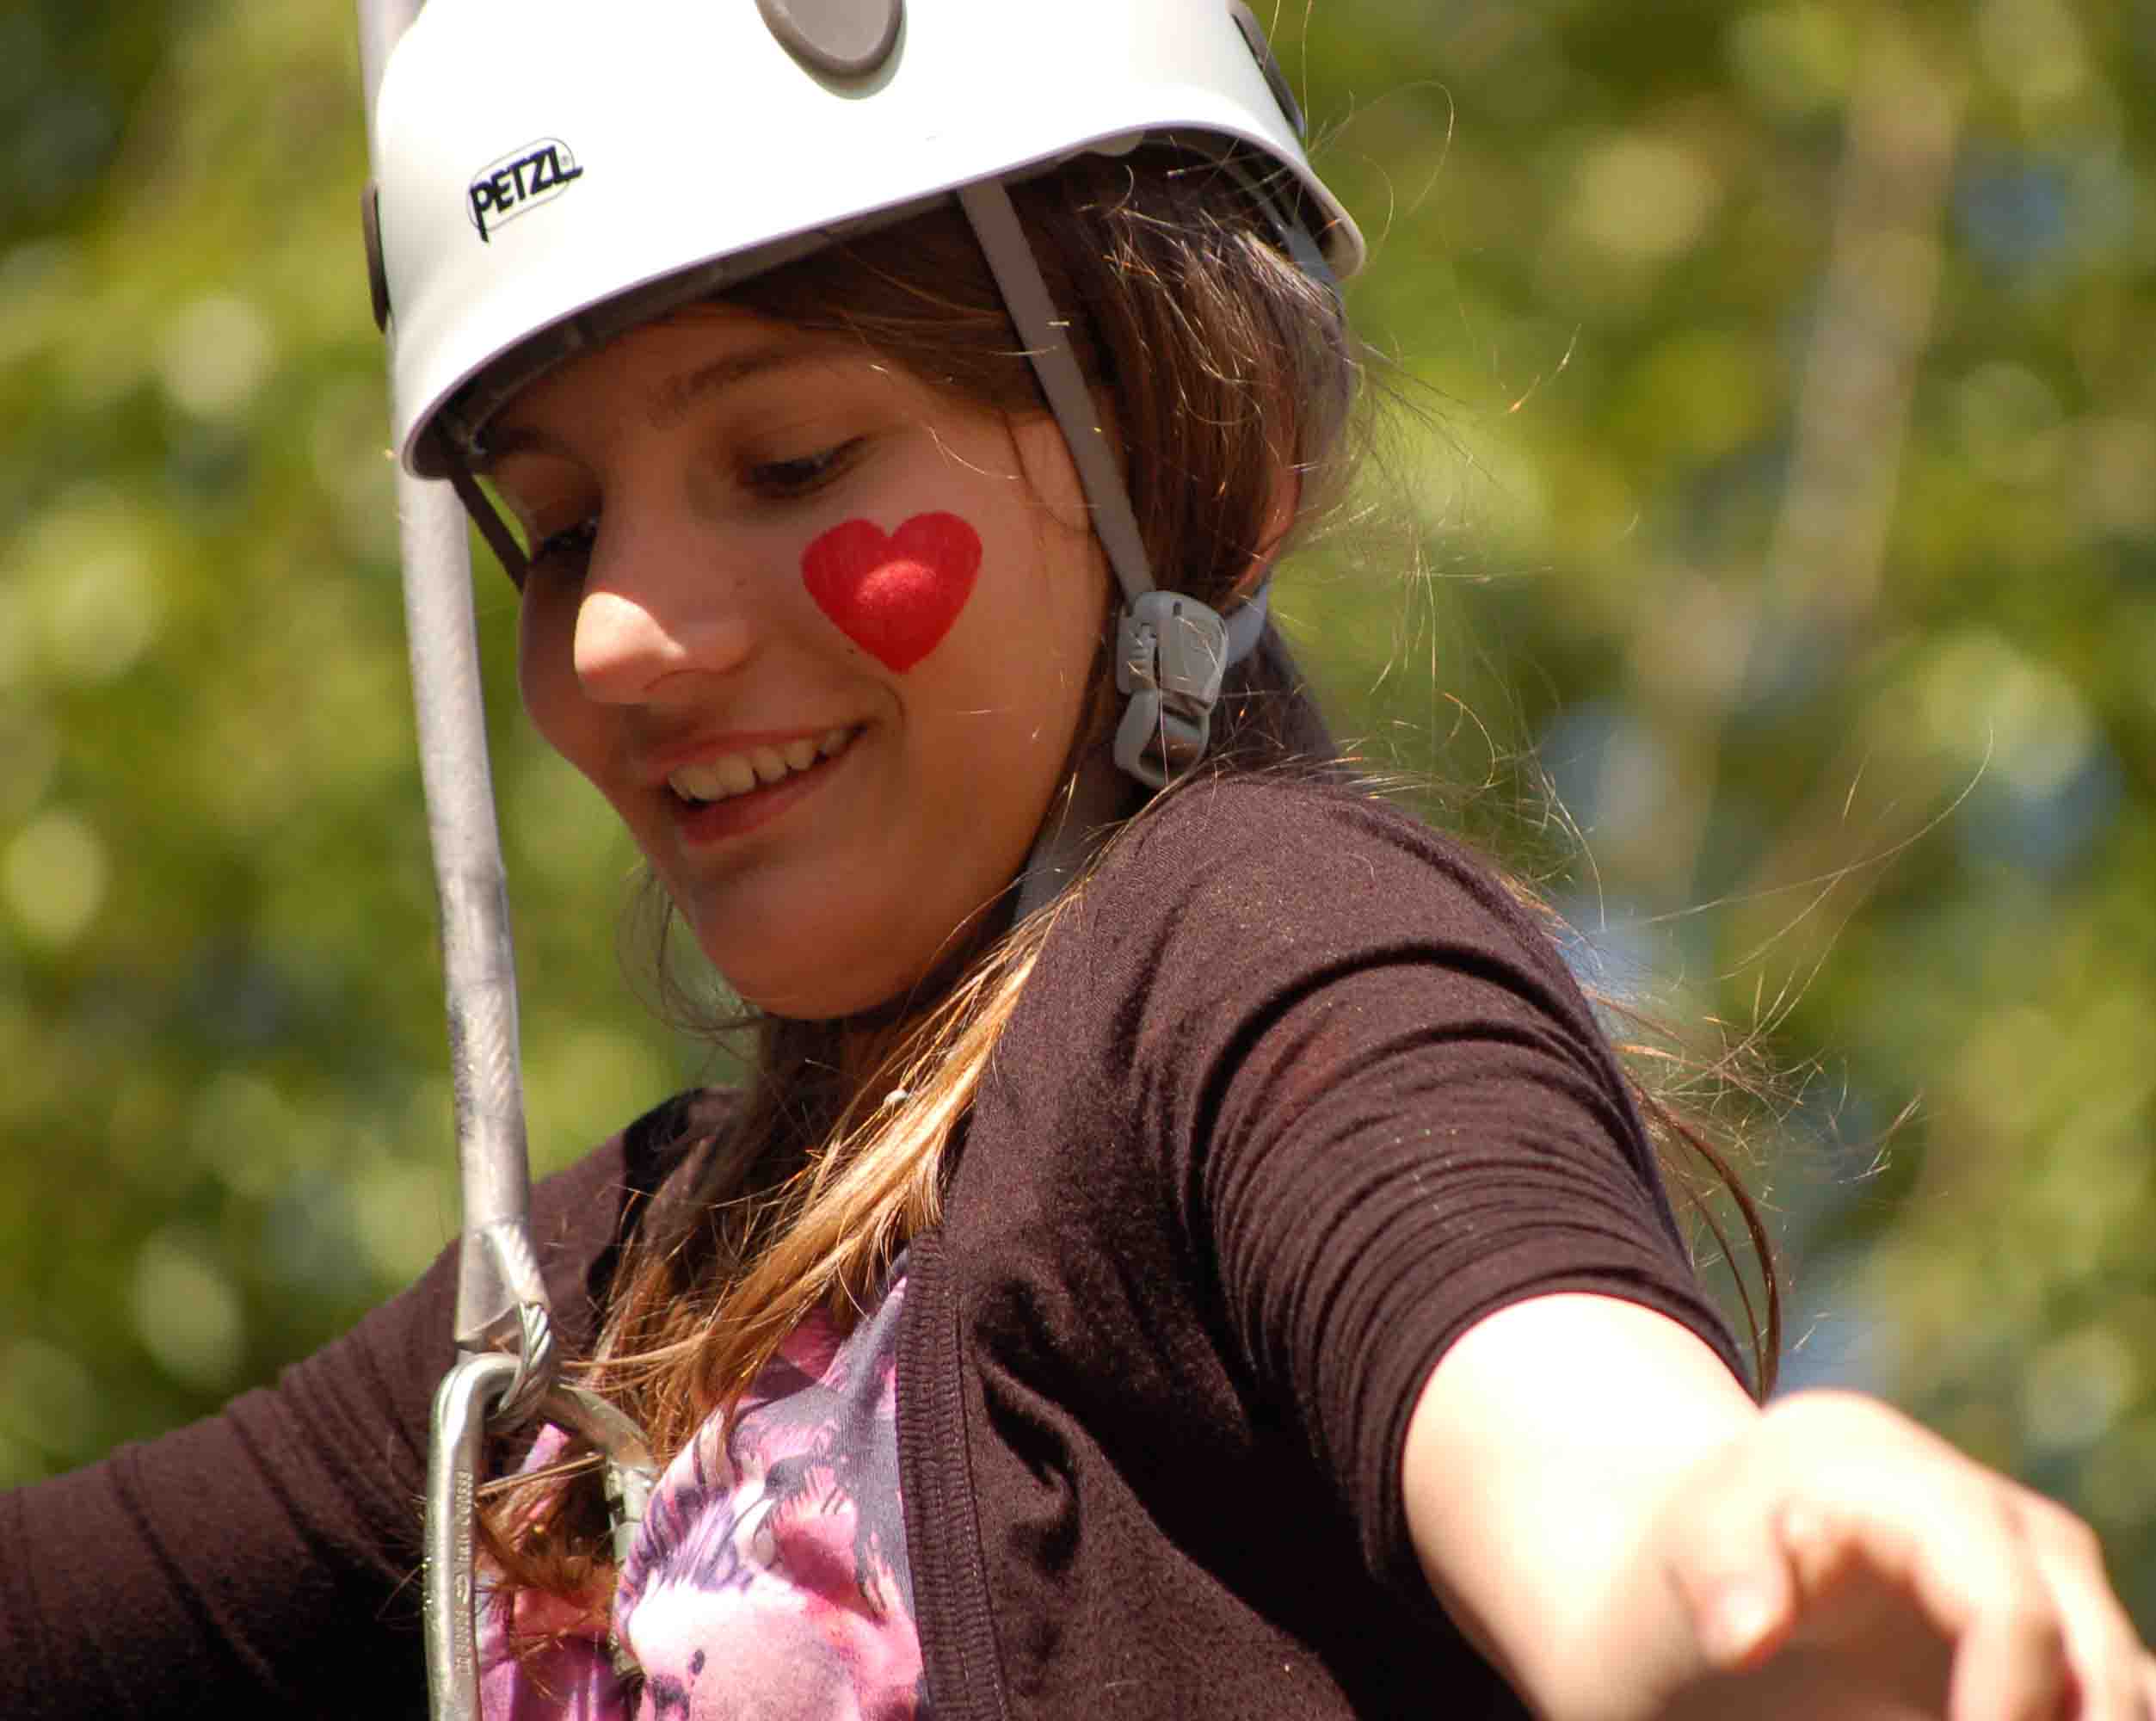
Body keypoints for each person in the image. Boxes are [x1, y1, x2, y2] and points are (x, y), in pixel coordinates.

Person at [4, 1, 2151, 1717]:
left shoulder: (1247, 956)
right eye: (560, 527)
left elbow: (1543, 1405)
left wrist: (1715, 1570)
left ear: (1163, 423)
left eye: (787, 456)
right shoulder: (619, 1289)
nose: (615, 637)